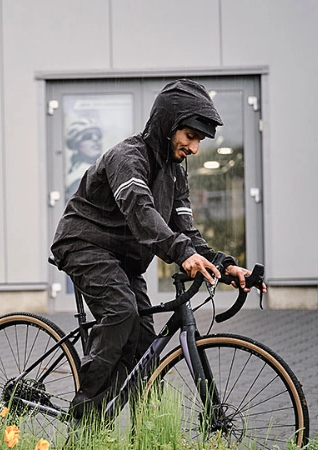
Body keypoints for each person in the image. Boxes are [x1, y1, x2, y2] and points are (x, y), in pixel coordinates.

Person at [50, 79, 265, 419]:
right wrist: (180, 253)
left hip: (123, 259)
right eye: (190, 136)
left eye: (199, 140)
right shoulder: (127, 158)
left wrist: (226, 267)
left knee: (142, 346)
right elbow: (140, 210)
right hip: (83, 243)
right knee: (121, 311)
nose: (194, 147)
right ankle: (84, 415)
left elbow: (187, 232)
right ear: (167, 125)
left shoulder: (176, 173)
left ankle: (137, 430)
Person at [64, 117, 104, 198]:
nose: (95, 139)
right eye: (88, 137)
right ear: (76, 146)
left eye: (98, 136)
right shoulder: (80, 177)